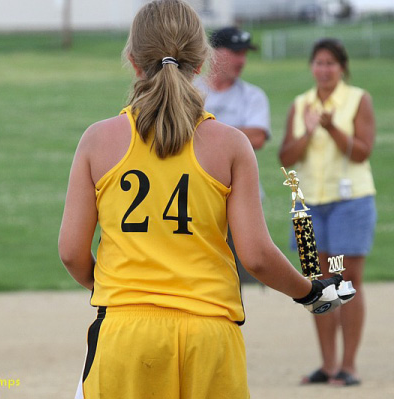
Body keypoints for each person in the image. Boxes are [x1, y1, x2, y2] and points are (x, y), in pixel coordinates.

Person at [58, 2, 352, 398]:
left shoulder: (98, 139)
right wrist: (310, 293)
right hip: (210, 333)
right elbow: (258, 256)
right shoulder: (232, 144)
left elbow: (72, 253)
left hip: (125, 333)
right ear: (201, 64)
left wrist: (120, 288)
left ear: (132, 61)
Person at [279, 38, 376, 387]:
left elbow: (362, 152)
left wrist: (332, 127)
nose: (324, 69)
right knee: (318, 286)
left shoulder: (357, 100)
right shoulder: (300, 104)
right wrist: (308, 130)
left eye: (330, 63)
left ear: (342, 67)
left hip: (349, 204)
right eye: (318, 63)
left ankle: (349, 365)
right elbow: (286, 158)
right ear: (311, 67)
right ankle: (329, 364)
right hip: (309, 207)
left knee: (345, 283)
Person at [193, 26, 271, 284]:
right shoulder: (189, 89)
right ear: (213, 53)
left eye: (245, 53)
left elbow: (258, 137)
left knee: (244, 273)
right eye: (236, 52)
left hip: (240, 199)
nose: (242, 60)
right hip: (194, 198)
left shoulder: (253, 95)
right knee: (199, 275)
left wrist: (203, 130)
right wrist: (233, 135)